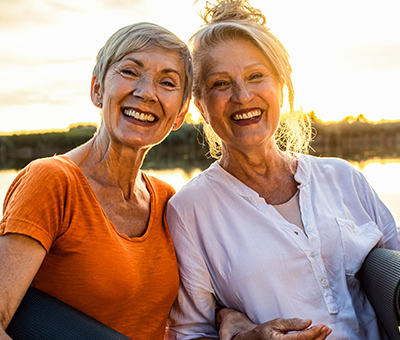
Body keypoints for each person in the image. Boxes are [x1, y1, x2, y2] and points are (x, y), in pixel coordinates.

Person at [165, 1, 400, 339]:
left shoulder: (344, 178)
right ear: (200, 104)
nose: (242, 96)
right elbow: (187, 333)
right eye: (220, 84)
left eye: (256, 76)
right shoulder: (189, 211)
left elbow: (396, 271)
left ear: (281, 85)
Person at [0, 22, 192, 340]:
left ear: (181, 114)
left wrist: (235, 323)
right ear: (97, 90)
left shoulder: (167, 200)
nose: (146, 92)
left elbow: (192, 311)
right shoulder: (52, 181)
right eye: (130, 72)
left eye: (167, 82)